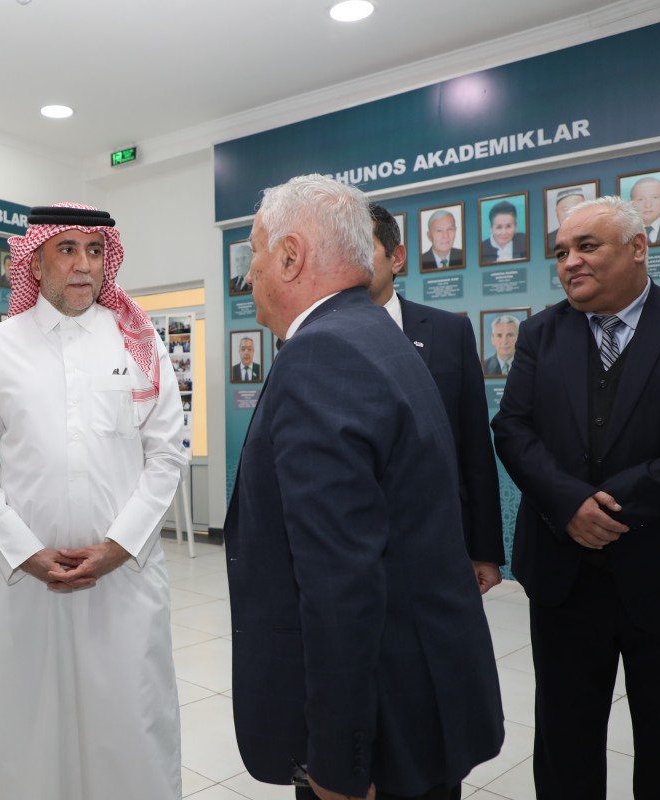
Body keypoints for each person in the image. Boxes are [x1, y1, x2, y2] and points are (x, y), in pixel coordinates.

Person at [225, 175, 503, 800]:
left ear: (291, 256)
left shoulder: (321, 354)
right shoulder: (375, 333)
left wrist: (338, 761)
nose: (250, 275)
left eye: (257, 253)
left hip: (380, 725)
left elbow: (338, 581)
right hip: (418, 694)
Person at [491, 196, 660, 798]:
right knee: (565, 744)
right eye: (561, 252)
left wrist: (608, 505)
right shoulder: (540, 333)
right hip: (565, 579)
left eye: (587, 246)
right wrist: (568, 505)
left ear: (638, 248)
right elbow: (513, 429)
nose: (570, 262)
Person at [0, 202, 187, 800]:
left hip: (125, 580)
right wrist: (24, 551)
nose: (84, 264)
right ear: (35, 261)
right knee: (33, 728)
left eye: (95, 250)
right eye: (67, 249)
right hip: (32, 584)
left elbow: (166, 455)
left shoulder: (138, 342)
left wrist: (119, 546)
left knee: (130, 724)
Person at [367, 203, 504, 593]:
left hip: (438, 538)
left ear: (396, 257)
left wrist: (484, 549)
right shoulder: (312, 338)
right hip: (350, 543)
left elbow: (475, 447)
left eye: (362, 248)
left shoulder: (448, 332)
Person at [629, 176, 660, 243]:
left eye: (655, 197)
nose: (648, 205)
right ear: (631, 203)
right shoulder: (624, 234)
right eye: (640, 199)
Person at [545, 187, 586, 254]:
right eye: (565, 209)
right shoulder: (549, 239)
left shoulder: (596, 233)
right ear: (556, 212)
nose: (570, 213)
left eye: (576, 208)